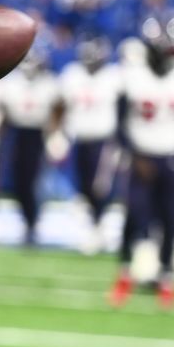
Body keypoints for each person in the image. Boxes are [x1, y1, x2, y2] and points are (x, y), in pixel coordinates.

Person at [109, 17, 174, 309]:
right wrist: (135, 153)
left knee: (171, 220)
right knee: (134, 217)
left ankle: (167, 278)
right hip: (140, 158)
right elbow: (118, 123)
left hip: (171, 158)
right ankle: (124, 274)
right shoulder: (133, 76)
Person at [54, 36, 121, 253]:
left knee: (99, 187)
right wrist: (57, 134)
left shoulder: (114, 77)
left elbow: (125, 110)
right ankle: (93, 228)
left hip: (104, 140)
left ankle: (98, 228)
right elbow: (59, 105)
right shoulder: (72, 75)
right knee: (83, 187)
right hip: (79, 139)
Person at [0, 47, 60, 246]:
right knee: (19, 183)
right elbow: (4, 112)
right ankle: (27, 220)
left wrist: (56, 134)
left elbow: (59, 107)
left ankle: (33, 221)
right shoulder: (12, 84)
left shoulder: (49, 84)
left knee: (34, 182)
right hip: (17, 134)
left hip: (37, 135)